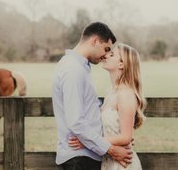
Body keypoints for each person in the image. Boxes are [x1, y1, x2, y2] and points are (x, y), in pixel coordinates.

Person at [52, 22, 133, 170]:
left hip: (85, 156)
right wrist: (111, 149)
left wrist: (117, 138)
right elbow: (76, 122)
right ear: (95, 41)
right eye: (106, 49)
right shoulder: (73, 69)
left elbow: (90, 111)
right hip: (78, 159)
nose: (105, 55)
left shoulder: (81, 68)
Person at [69, 43, 146, 169]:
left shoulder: (125, 94)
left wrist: (88, 141)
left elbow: (126, 137)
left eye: (112, 54)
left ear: (121, 64)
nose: (106, 55)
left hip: (122, 164)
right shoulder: (111, 92)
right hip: (108, 161)